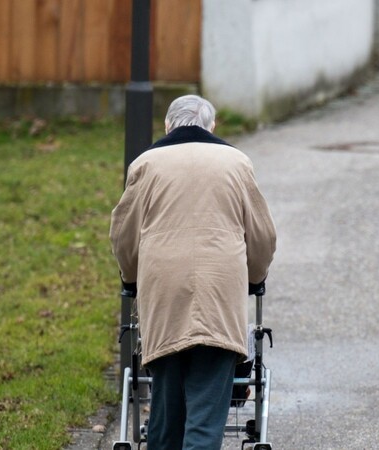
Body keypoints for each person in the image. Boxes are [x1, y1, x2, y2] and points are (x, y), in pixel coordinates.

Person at [110, 95, 276, 449]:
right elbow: (262, 235)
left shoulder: (147, 164)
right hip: (219, 294)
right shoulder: (236, 163)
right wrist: (255, 277)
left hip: (164, 294)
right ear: (212, 126)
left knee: (166, 413)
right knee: (205, 416)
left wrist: (130, 276)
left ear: (168, 126)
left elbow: (124, 234)